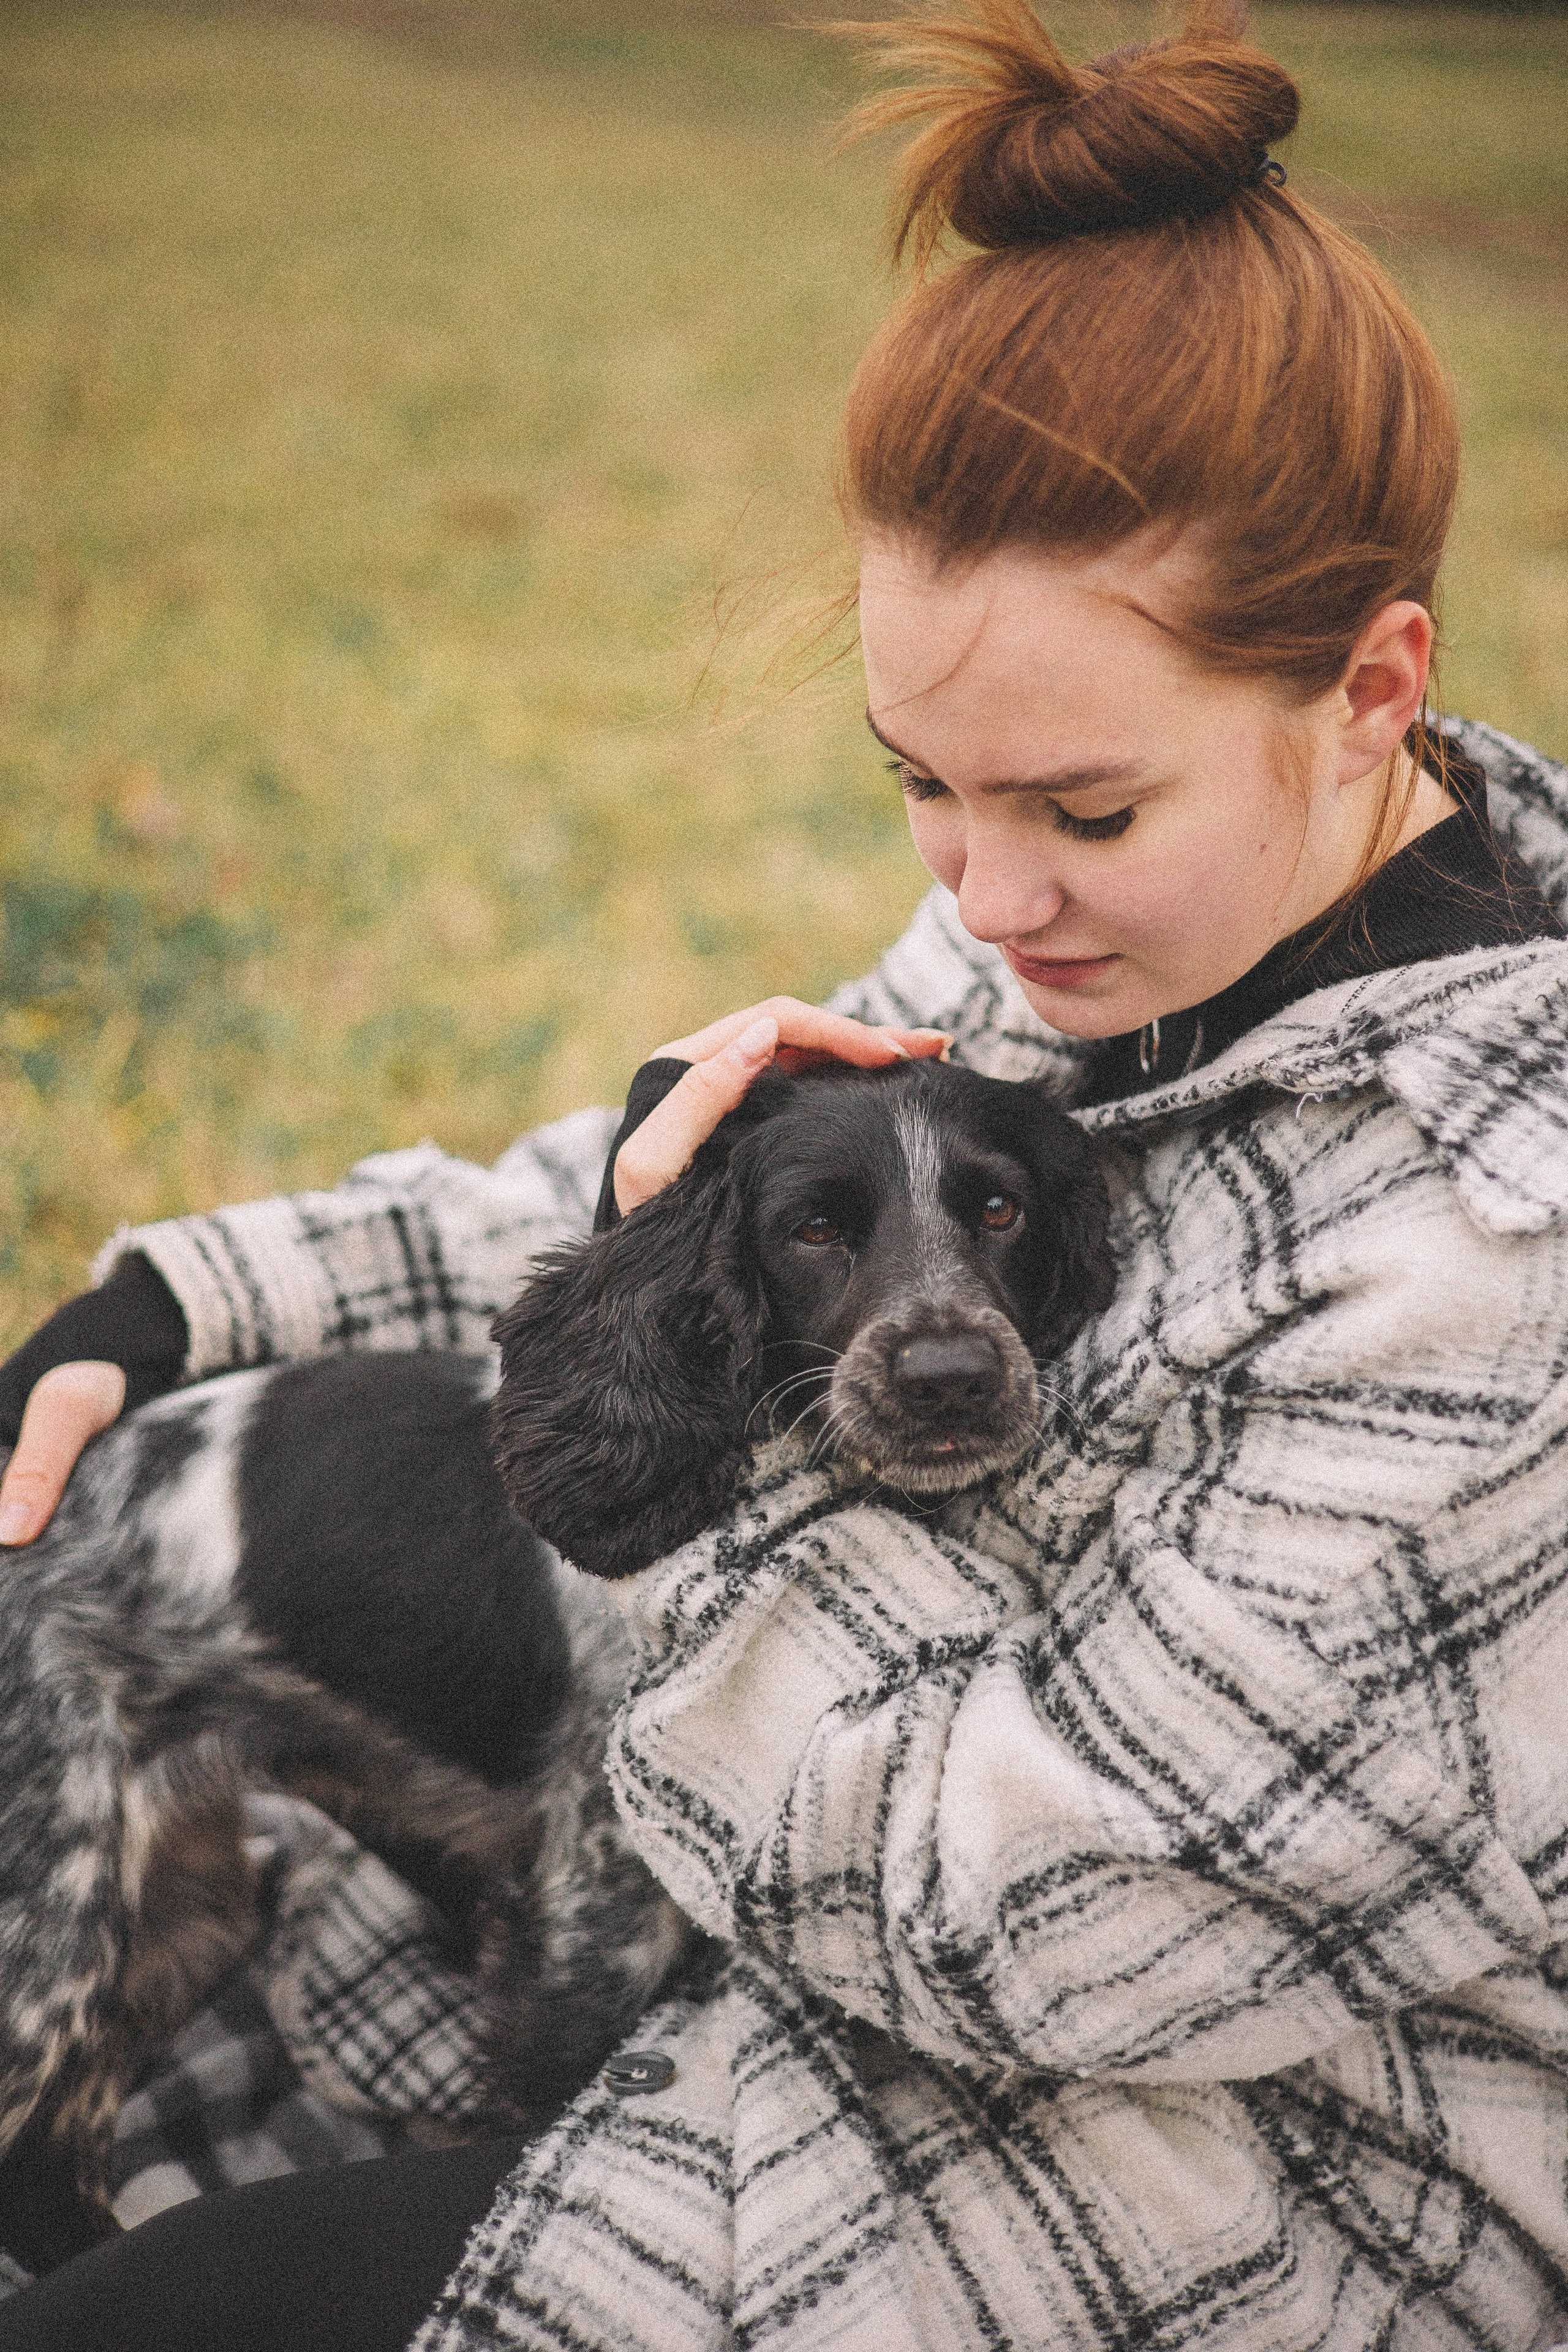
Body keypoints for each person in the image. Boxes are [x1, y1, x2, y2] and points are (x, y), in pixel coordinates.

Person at [4, 0, 1568, 2345]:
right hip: (772, 1891)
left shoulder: (1493, 1254)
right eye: (921, 783)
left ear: (1373, 682)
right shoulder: (1131, 926)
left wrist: (688, 1414)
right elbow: (692, 1185)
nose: (993, 899)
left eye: (1081, 809)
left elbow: (1062, 1919)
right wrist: (183, 1305)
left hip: (1223, 2171)